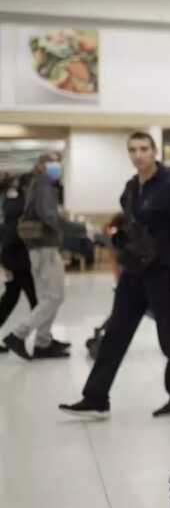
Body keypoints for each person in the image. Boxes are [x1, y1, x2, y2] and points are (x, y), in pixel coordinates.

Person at [59, 132, 170, 419]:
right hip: (134, 271)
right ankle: (96, 396)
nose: (138, 155)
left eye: (144, 149)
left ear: (154, 150)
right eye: (133, 150)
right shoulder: (131, 187)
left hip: (162, 272)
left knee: (168, 335)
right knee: (115, 333)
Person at [4, 153, 82, 359]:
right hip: (45, 248)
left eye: (59, 162)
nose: (57, 167)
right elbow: (49, 216)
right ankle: (18, 334)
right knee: (55, 296)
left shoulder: (36, 185)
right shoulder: (43, 185)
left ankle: (43, 342)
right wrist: (79, 228)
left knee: (46, 297)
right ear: (40, 165)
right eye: (52, 163)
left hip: (36, 249)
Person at [0, 174, 39, 345]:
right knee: (35, 299)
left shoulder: (14, 204)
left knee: (11, 297)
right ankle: (30, 338)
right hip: (17, 258)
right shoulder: (22, 206)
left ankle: (40, 338)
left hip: (10, 256)